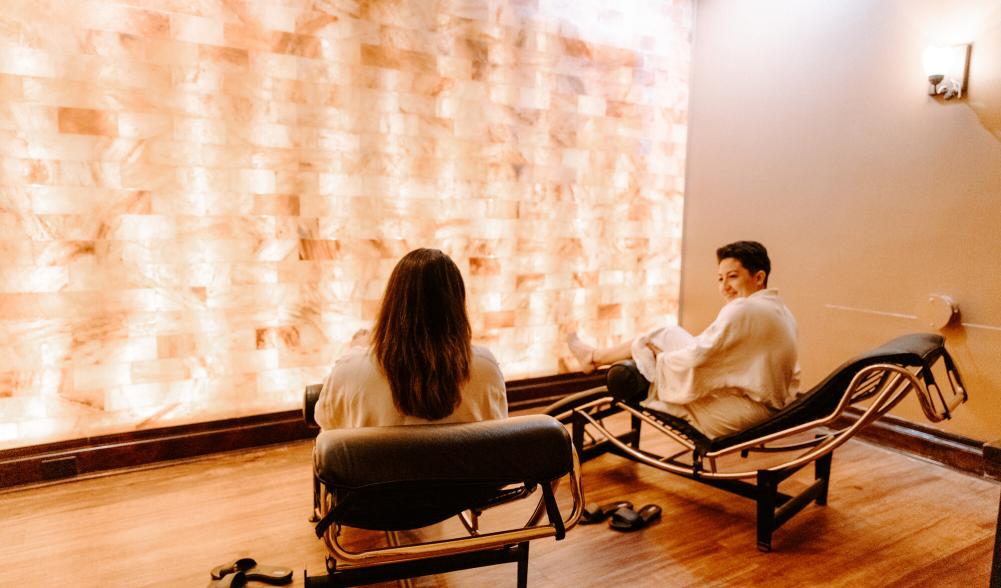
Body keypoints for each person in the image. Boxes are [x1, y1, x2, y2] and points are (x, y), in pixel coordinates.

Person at [567, 241, 800, 438]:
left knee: (660, 345)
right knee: (668, 333)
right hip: (764, 404)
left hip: (744, 412)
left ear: (759, 277)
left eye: (733, 277)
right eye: (720, 279)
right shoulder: (780, 310)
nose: (724, 287)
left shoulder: (744, 309)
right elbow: (716, 355)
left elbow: (701, 356)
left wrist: (662, 360)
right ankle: (594, 357)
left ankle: (594, 357)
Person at [315, 248, 508, 429]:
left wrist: (357, 354)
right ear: (457, 307)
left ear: (392, 303)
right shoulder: (486, 368)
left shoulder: (349, 370)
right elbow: (496, 434)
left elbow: (327, 424)